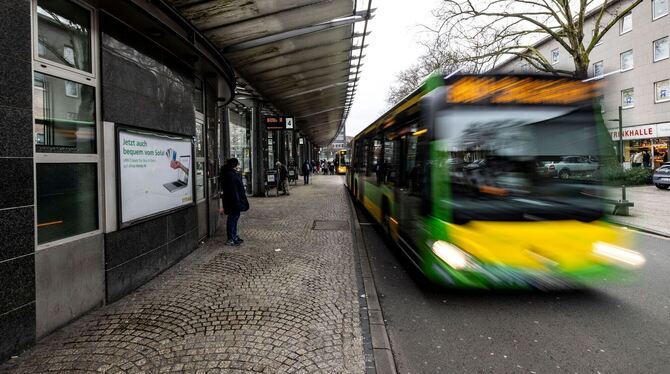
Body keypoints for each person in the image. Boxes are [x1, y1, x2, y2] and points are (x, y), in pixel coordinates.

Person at [220, 158, 249, 246]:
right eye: (237, 164)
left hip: (232, 200)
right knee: (233, 218)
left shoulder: (229, 173)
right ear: (234, 164)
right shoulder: (230, 174)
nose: (237, 166)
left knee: (234, 218)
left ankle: (234, 236)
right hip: (233, 201)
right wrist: (237, 201)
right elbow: (233, 190)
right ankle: (231, 238)